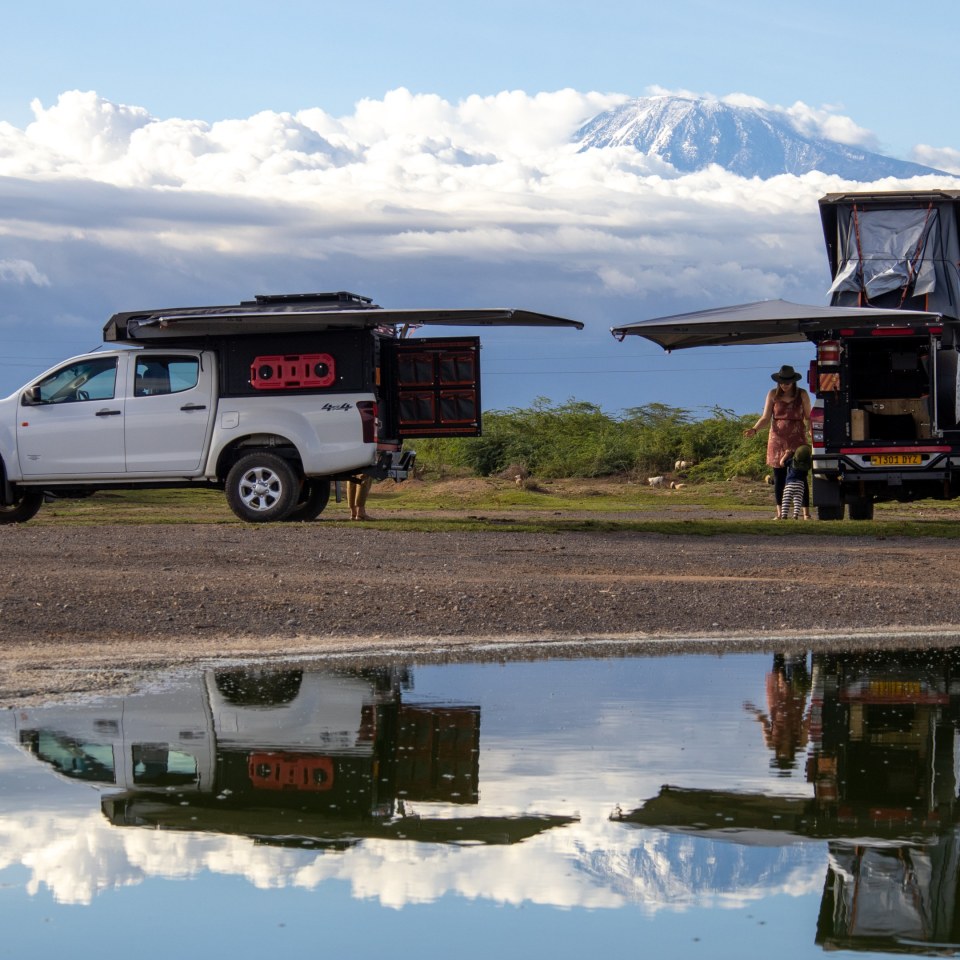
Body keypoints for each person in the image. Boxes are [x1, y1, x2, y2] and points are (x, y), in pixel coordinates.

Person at [744, 364, 811, 519]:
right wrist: (754, 429)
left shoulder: (802, 394)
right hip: (777, 438)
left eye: (787, 382)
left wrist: (812, 433)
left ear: (793, 382)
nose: (784, 385)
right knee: (779, 476)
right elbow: (766, 417)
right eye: (782, 382)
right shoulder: (773, 394)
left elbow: (808, 417)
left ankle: (805, 513)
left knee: (800, 475)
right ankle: (780, 514)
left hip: (797, 437)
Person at [779, 445, 812, 520]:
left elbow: (781, 463)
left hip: (789, 484)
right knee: (797, 501)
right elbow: (810, 464)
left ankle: (784, 515)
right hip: (800, 485)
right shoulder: (806, 465)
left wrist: (786, 454)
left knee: (786, 500)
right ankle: (795, 515)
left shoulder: (792, 461)